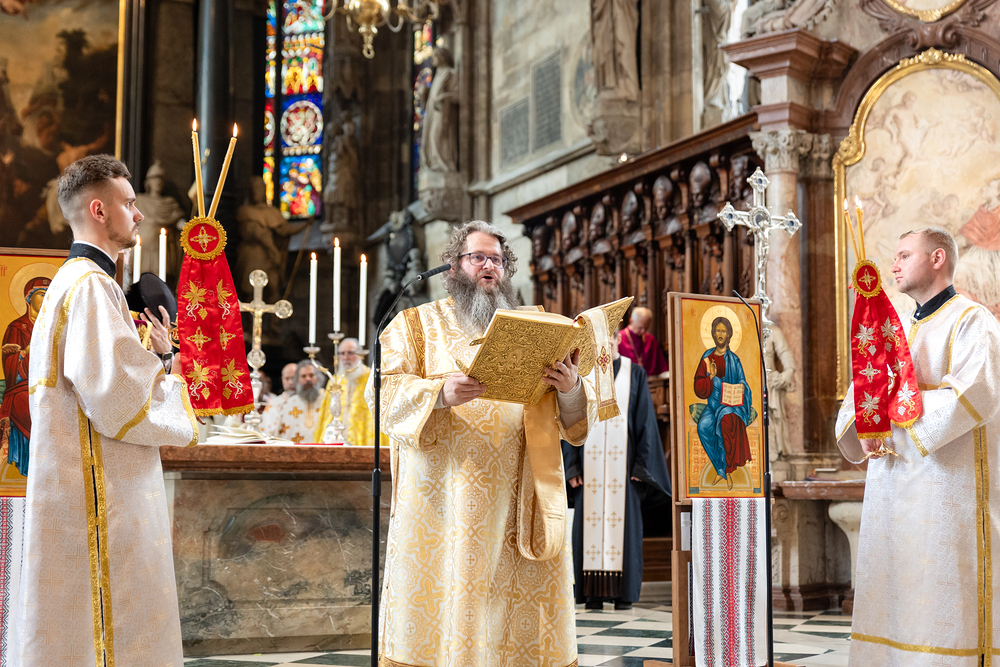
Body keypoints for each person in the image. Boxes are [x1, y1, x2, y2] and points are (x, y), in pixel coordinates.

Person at [367, 220, 596, 666]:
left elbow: (572, 423)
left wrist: (570, 388)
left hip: (519, 497)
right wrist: (439, 393)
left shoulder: (537, 329)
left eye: (497, 259)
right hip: (446, 504)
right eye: (478, 257)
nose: (489, 266)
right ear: (454, 266)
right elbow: (378, 394)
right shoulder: (416, 325)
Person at [16, 155, 198, 666]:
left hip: (75, 481)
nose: (138, 214)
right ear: (99, 210)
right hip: (101, 493)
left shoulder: (68, 282)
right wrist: (170, 371)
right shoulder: (93, 286)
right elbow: (116, 397)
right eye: (129, 203)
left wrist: (152, 359)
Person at [836, 227, 1000, 666]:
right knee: (893, 591)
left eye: (904, 255)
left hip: (944, 492)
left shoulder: (972, 321)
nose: (893, 266)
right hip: (891, 488)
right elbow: (864, 390)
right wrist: (866, 420)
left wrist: (896, 409)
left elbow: (976, 393)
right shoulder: (896, 329)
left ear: (937, 258)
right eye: (894, 257)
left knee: (941, 596)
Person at [562, 333, 671, 611]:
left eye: (609, 337)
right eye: (598, 338)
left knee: (626, 532)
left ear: (616, 339)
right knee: (586, 530)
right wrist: (572, 466)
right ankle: (591, 594)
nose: (605, 343)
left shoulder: (635, 373)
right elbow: (570, 418)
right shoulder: (581, 373)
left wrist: (641, 466)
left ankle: (624, 595)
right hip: (588, 470)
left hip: (624, 470)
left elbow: (645, 421)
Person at [693, 316, 753, 490]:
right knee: (703, 426)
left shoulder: (734, 359)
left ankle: (728, 468)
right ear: (713, 333)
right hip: (713, 406)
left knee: (726, 421)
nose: (720, 334)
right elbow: (698, 386)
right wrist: (710, 378)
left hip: (730, 405)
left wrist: (741, 387)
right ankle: (720, 468)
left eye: (723, 331)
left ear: (729, 335)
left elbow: (742, 380)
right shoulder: (707, 358)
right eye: (717, 330)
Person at [0, 276, 48, 476]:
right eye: (42, 294)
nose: (47, 298)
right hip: (21, 387)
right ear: (29, 298)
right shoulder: (16, 327)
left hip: (49, 386)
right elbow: (10, 365)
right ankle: (30, 467)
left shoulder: (54, 327)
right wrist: (24, 353)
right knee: (32, 408)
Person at [314, 337, 374, 446]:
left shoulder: (371, 379)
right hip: (336, 440)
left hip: (363, 439)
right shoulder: (334, 380)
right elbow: (325, 414)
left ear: (360, 354)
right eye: (342, 353)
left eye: (350, 353)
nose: (346, 357)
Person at [260, 360, 324, 443]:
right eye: (303, 376)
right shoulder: (286, 404)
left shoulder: (327, 400)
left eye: (311, 375)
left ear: (318, 377)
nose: (308, 379)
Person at [618, 306, 669, 376]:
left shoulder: (650, 339)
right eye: (640, 327)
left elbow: (662, 368)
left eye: (646, 328)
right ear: (631, 321)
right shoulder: (619, 339)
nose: (643, 331)